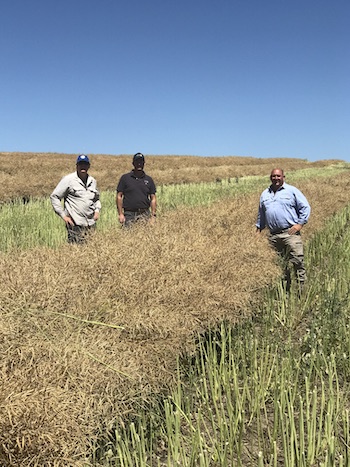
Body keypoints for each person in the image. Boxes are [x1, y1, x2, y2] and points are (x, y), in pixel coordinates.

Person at [256, 168, 311, 292]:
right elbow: (261, 214)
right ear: (270, 177)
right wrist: (258, 230)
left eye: (278, 176)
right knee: (281, 265)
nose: (276, 178)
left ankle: (301, 292)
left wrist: (300, 224)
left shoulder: (292, 191)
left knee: (298, 262)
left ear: (283, 177)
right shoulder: (265, 194)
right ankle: (285, 292)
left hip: (290, 233)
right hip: (273, 236)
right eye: (273, 176)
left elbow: (305, 207)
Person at [50, 154, 101, 244]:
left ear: (88, 166)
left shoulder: (92, 181)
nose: (83, 166)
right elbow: (55, 196)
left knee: (91, 251)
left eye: (85, 164)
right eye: (80, 164)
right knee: (76, 251)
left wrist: (97, 210)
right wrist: (63, 216)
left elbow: (96, 199)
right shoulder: (68, 180)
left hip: (91, 223)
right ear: (77, 166)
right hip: (75, 223)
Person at [116, 153, 157, 227]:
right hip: (129, 214)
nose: (139, 164)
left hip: (144, 214)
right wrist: (120, 214)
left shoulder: (149, 179)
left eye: (141, 162)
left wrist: (153, 216)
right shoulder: (125, 178)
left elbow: (153, 198)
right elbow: (119, 196)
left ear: (144, 163)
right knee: (128, 237)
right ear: (133, 163)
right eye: (137, 162)